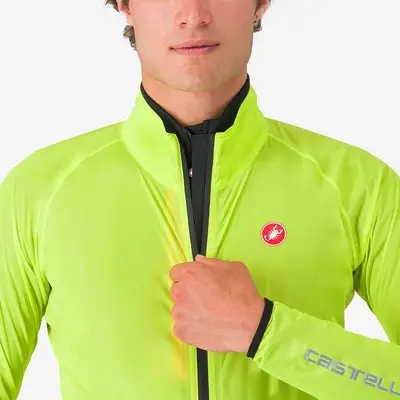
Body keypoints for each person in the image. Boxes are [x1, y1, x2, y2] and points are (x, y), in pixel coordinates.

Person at [0, 0, 399, 398]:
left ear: (260, 3)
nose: (193, 14)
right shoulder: (39, 192)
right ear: (124, 5)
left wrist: (264, 332)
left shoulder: (358, 186)